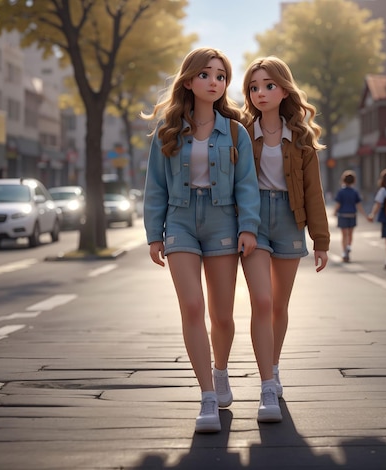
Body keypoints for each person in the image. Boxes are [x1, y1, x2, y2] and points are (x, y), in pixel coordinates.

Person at [142, 48, 261, 433]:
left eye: (222, 76)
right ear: (189, 80)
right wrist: (153, 234)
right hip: (180, 221)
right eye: (207, 75)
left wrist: (249, 227)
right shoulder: (168, 130)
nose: (215, 82)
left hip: (223, 220)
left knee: (222, 315)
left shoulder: (237, 132)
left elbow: (247, 185)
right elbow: (154, 187)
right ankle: (207, 397)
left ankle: (221, 370)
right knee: (192, 307)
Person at [241, 56, 330, 405]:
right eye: (253, 87)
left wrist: (320, 241)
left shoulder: (302, 136)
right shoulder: (243, 133)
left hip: (290, 220)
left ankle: (274, 368)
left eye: (268, 85)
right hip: (254, 218)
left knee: (279, 305)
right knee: (261, 302)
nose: (260, 93)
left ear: (284, 89)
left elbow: (313, 191)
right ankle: (266, 385)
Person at [333, 170, 368, 262]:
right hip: (352, 214)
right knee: (350, 233)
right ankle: (348, 246)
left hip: (343, 215)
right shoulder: (354, 192)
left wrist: (334, 212)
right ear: (354, 181)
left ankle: (344, 252)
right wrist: (365, 215)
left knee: (344, 234)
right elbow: (359, 205)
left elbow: (338, 204)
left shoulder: (341, 192)